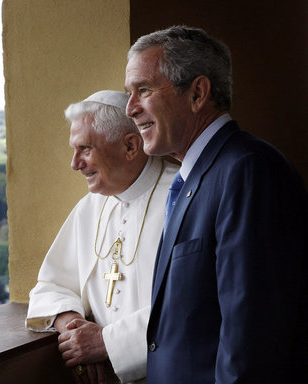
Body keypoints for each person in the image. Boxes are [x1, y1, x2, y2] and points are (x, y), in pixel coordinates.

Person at [124, 26, 307, 383]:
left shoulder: (247, 170)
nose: (130, 109)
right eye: (129, 94)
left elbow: (250, 340)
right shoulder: (197, 175)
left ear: (198, 93)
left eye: (143, 90)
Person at [26, 90, 179, 383]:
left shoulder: (183, 197)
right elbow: (50, 285)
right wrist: (75, 329)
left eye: (85, 148)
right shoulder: (90, 207)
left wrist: (108, 343)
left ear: (131, 146)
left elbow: (193, 305)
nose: (75, 163)